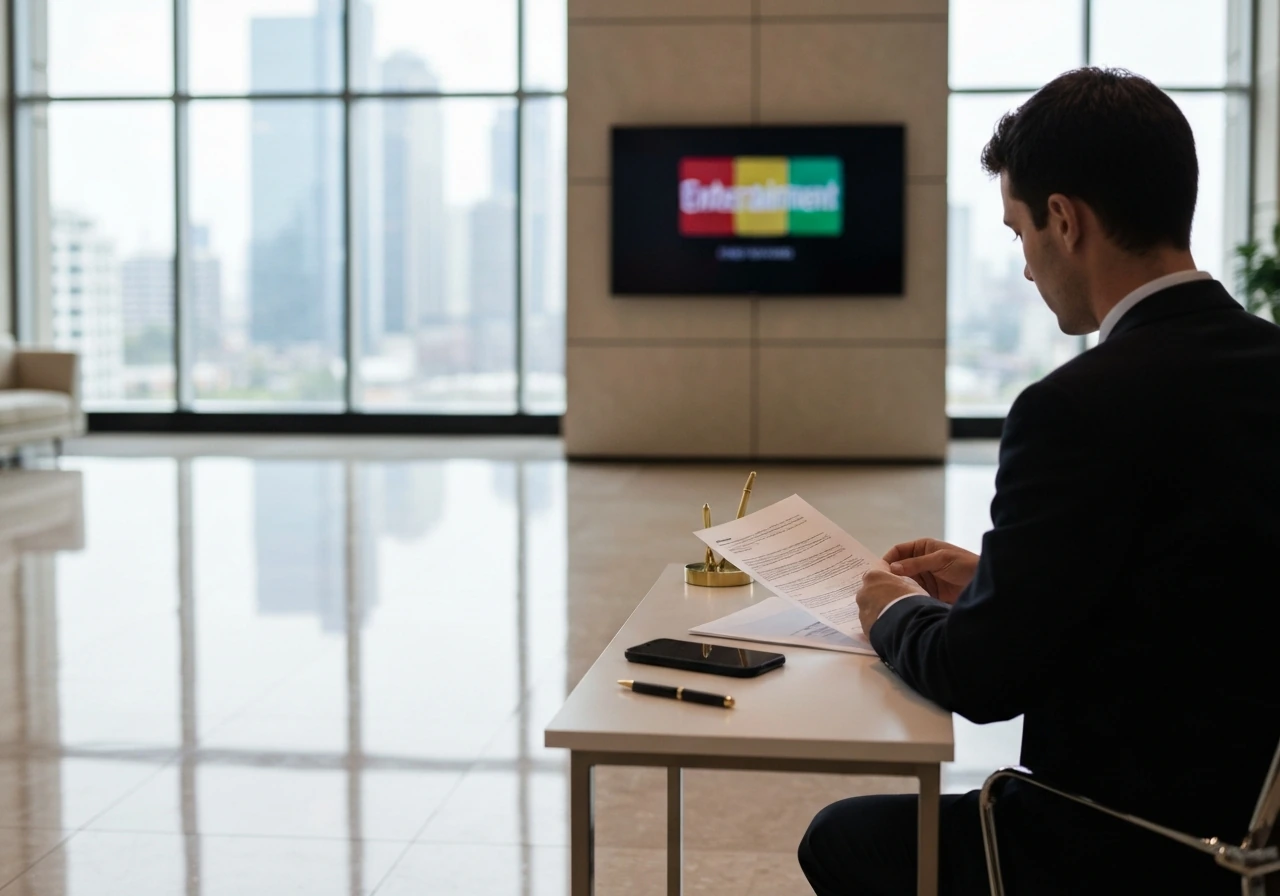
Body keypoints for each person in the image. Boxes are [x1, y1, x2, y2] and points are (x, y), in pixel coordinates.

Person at [799, 67, 1280, 895]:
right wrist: (998, 581)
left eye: (1020, 231)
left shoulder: (1074, 410)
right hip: (1252, 840)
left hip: (1122, 844)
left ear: (1065, 220)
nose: (1025, 267)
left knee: (841, 838)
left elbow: (982, 680)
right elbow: (1194, 579)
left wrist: (894, 613)